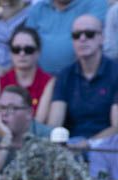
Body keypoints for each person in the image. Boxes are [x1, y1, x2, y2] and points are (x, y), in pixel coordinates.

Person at [46, 15, 118, 143]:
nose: (82, 39)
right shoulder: (65, 75)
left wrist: (88, 144)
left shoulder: (115, 72)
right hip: (71, 145)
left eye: (89, 34)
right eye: (76, 35)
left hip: (109, 147)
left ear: (102, 38)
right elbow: (54, 124)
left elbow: (117, 127)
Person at [0, 26, 54, 128]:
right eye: (16, 49)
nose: (22, 54)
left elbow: (39, 122)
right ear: (10, 53)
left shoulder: (49, 82)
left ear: (38, 52)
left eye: (28, 49)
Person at [26, 0, 108, 76]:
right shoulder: (38, 9)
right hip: (42, 80)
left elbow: (91, 38)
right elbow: (27, 43)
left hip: (82, 79)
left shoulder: (95, 3)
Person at [0, 84, 50, 172]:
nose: (4, 113)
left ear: (29, 113)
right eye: (1, 107)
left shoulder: (48, 137)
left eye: (11, 108)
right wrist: (5, 139)